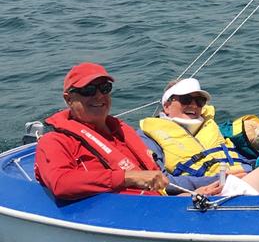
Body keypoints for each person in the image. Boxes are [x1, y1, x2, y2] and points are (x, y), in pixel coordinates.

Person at [140, 77, 259, 196]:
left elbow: (238, 161)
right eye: (186, 99)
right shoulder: (148, 137)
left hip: (239, 183)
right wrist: (219, 179)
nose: (194, 105)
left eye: (200, 101)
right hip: (213, 194)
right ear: (167, 105)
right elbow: (158, 180)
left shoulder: (212, 128)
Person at [35, 63, 168, 200]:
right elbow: (61, 183)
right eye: (88, 90)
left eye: (105, 88)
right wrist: (126, 177)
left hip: (157, 203)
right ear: (69, 99)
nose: (99, 96)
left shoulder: (121, 131)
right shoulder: (54, 141)